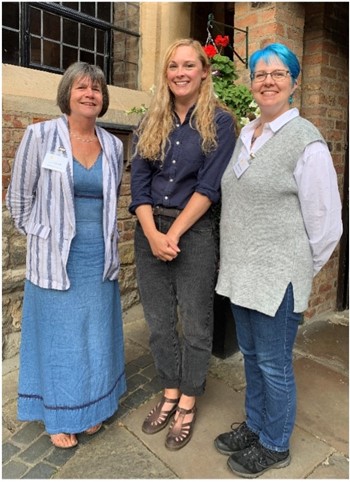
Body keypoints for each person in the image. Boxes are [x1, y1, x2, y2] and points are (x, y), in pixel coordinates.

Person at [215, 43, 343, 477]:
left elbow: (327, 224)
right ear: (250, 82)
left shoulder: (305, 140)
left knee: (273, 364)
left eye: (278, 73)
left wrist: (297, 271)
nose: (267, 80)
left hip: (276, 279)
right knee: (252, 357)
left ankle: (275, 443)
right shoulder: (247, 133)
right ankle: (255, 425)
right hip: (241, 273)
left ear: (293, 82)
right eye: (259, 73)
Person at [6, 62, 126, 449]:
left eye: (96, 89)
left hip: (98, 255)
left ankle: (92, 408)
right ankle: (59, 415)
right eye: (82, 88)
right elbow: (20, 198)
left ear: (103, 98)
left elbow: (114, 196)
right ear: (67, 94)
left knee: (94, 335)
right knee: (60, 339)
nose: (90, 94)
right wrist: (41, 233)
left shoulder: (114, 145)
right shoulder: (40, 136)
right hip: (55, 257)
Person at [129, 38, 236, 450]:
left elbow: (209, 187)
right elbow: (138, 184)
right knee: (158, 324)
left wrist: (172, 235)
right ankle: (169, 391)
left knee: (195, 323)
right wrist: (153, 235)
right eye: (173, 65)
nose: (180, 72)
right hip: (149, 230)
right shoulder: (151, 120)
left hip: (194, 232)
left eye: (189, 65)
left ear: (204, 72)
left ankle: (188, 401)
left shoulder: (221, 122)